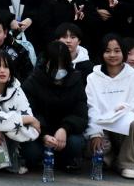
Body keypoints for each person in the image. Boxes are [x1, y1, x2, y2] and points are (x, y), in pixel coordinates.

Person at [85, 34, 134, 180]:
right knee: (98, 152)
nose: (112, 55)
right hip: (102, 125)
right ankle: (109, 156)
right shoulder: (93, 77)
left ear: (123, 53)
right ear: (102, 53)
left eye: (117, 51)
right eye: (108, 51)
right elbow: (91, 107)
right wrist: (95, 133)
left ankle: (127, 163)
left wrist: (124, 108)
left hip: (123, 124)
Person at [21, 41, 88, 173]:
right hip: (39, 132)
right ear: (45, 62)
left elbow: (81, 114)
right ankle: (42, 159)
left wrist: (65, 128)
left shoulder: (76, 80)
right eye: (54, 64)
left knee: (76, 144)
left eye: (62, 65)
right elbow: (29, 112)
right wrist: (44, 135)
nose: (59, 69)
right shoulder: (33, 81)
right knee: (31, 152)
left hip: (66, 134)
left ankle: (65, 160)